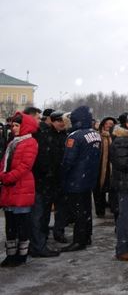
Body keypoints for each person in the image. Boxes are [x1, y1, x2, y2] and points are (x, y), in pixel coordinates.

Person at [59, 106, 102, 252]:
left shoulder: (74, 136)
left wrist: (63, 176)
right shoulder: (95, 134)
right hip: (89, 179)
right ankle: (86, 236)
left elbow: (68, 161)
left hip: (75, 180)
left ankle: (79, 240)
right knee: (86, 210)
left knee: (78, 212)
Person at [0, 112, 38, 267]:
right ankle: (10, 254)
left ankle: (21, 255)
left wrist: (8, 177)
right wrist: (2, 174)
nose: (14, 128)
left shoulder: (30, 142)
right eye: (13, 125)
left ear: (25, 126)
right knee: (10, 224)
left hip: (22, 187)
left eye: (17, 125)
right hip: (10, 188)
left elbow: (25, 166)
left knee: (22, 223)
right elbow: (4, 161)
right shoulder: (12, 142)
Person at [30, 110, 67, 258]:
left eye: (63, 122)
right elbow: (42, 159)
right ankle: (39, 244)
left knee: (56, 211)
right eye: (59, 121)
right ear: (52, 121)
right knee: (42, 214)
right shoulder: (44, 135)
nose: (62, 124)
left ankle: (49, 238)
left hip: (57, 180)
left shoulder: (63, 135)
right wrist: (48, 173)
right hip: (44, 181)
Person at [110, 111, 128, 261]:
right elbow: (123, 163)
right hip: (126, 184)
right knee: (126, 218)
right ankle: (123, 249)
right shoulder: (122, 140)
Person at [94, 117, 116, 217]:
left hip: (111, 166)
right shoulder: (97, 136)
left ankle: (112, 207)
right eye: (107, 123)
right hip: (99, 166)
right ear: (103, 124)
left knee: (111, 189)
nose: (109, 125)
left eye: (111, 124)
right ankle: (100, 210)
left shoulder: (115, 136)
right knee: (99, 190)